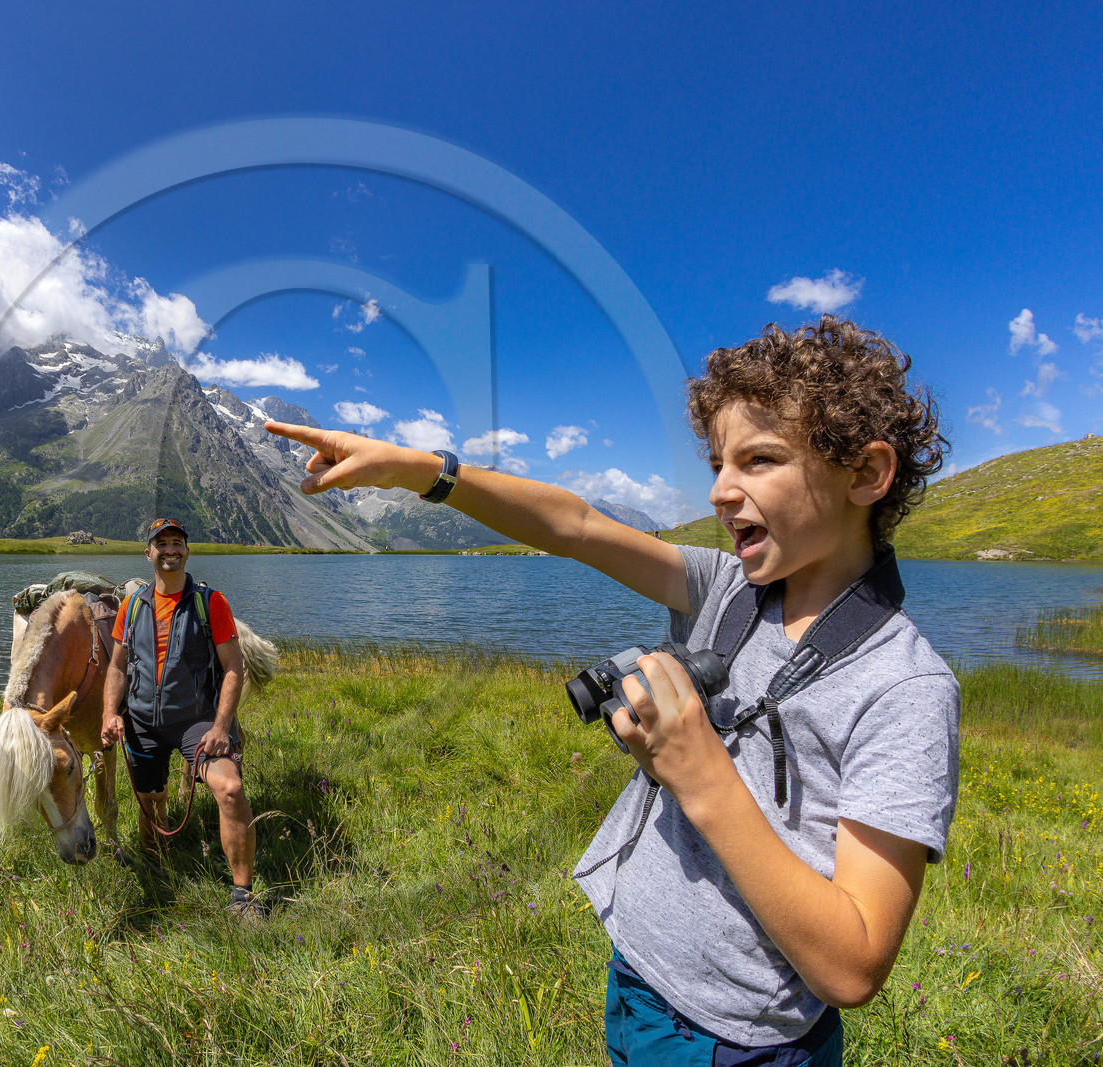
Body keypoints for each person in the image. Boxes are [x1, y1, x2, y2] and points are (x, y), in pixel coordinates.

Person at [266, 316, 957, 1064]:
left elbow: (853, 965)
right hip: (637, 982)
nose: (723, 490)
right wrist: (423, 470)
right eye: (720, 462)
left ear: (865, 474)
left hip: (741, 1041)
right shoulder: (726, 586)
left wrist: (700, 775)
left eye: (758, 459)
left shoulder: (904, 686)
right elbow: (575, 524)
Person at [99, 517, 263, 919]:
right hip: (141, 722)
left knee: (229, 789)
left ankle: (243, 898)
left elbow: (233, 668)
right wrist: (109, 713)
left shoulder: (211, 603)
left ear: (187, 551)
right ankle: (159, 875)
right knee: (151, 805)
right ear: (148, 553)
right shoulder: (132, 606)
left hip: (197, 721)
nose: (169, 549)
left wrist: (222, 727)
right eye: (161, 543)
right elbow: (118, 668)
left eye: (177, 543)